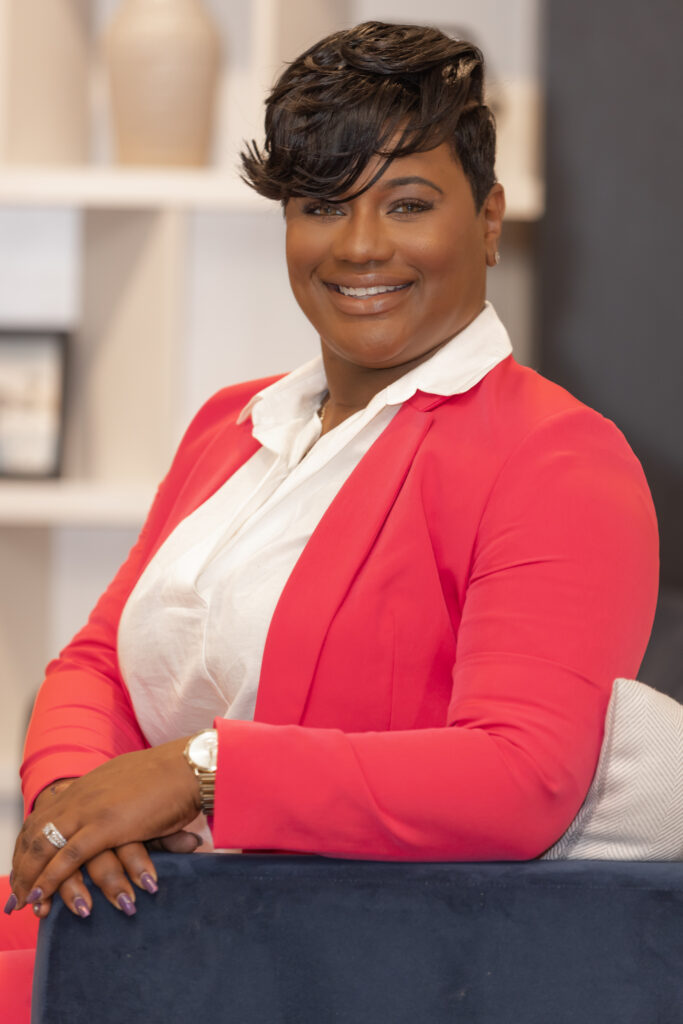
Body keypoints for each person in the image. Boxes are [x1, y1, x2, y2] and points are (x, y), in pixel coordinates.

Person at [1, 20, 658, 1020]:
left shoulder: (556, 458)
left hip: (302, 961)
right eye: (321, 205)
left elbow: (521, 776)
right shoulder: (233, 421)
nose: (357, 246)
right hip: (126, 922)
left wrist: (200, 773)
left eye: (406, 203)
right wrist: (71, 803)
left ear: (486, 217)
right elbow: (95, 662)